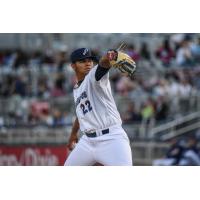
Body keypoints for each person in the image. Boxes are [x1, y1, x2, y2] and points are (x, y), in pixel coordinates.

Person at [64, 48, 133, 166]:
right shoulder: (76, 88)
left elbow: (103, 63)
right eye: (82, 61)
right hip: (87, 141)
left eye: (90, 60)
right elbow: (80, 113)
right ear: (73, 66)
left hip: (112, 138)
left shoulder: (94, 76)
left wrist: (111, 55)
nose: (88, 63)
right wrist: (73, 134)